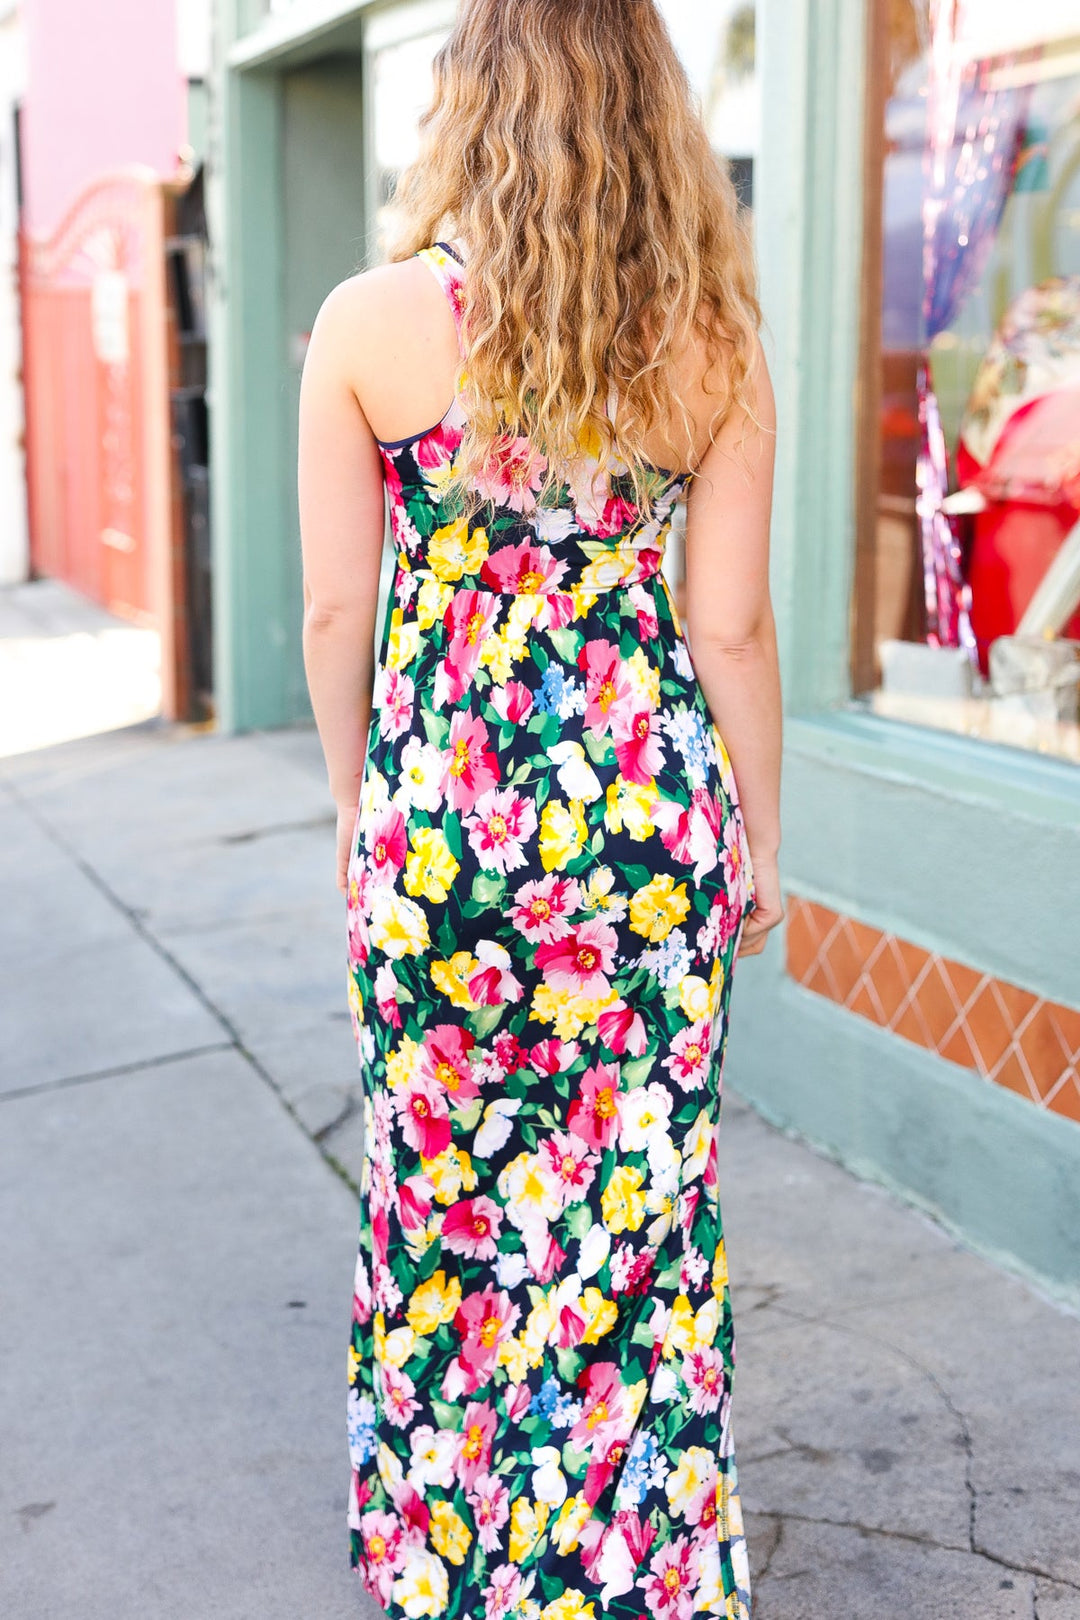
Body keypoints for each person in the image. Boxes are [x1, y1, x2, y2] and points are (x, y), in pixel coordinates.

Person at [298, 2, 783, 1616]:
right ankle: (631, 1569)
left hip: (441, 850)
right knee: (632, 1223)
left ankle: (453, 1563)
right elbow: (729, 630)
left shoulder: (365, 327)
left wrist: (362, 821)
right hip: (646, 853)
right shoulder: (714, 340)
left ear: (467, 107)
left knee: (446, 1213)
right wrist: (762, 839)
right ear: (657, 121)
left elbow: (330, 623)